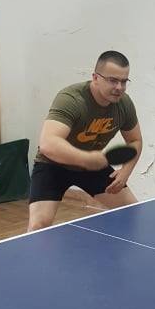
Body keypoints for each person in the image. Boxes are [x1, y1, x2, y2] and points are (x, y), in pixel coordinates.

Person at [28, 50, 142, 231]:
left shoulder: (124, 104)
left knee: (132, 212)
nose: (119, 87)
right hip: (53, 165)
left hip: (92, 166)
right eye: (113, 80)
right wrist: (86, 159)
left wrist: (125, 172)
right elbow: (48, 143)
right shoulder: (71, 99)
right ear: (95, 78)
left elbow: (135, 140)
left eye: (123, 81)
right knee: (38, 226)